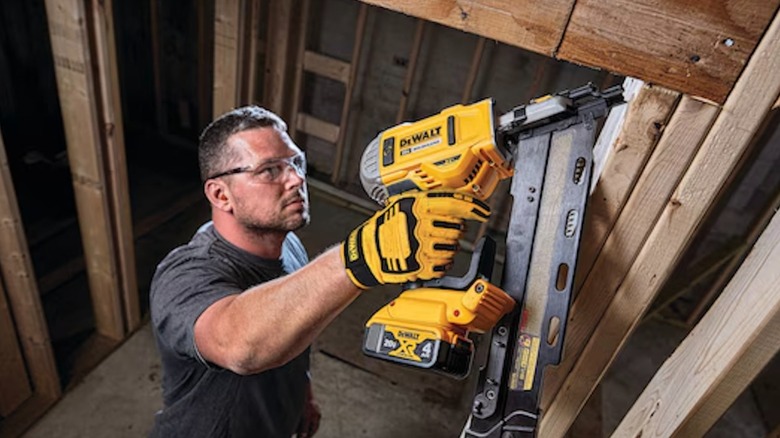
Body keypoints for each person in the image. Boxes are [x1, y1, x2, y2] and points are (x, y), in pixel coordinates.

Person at [148, 106, 490, 438]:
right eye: (269, 170)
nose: (297, 178)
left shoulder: (289, 243)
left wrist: (302, 395)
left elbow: (294, 322)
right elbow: (240, 345)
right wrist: (359, 257)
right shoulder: (184, 274)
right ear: (221, 194)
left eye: (296, 161)